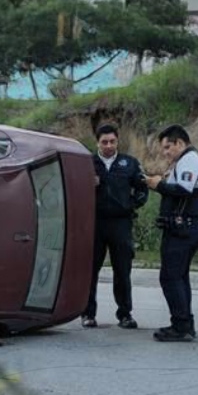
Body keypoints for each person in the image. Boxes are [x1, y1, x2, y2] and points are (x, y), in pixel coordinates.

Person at [145, 124, 198, 342]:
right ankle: (185, 323)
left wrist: (159, 185)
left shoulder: (190, 158)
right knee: (179, 277)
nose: (165, 153)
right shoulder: (183, 161)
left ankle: (180, 326)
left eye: (167, 147)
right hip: (182, 228)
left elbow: (183, 190)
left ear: (180, 143)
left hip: (184, 229)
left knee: (171, 277)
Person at [82, 123, 149, 329]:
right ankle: (87, 313)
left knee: (122, 270)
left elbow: (142, 189)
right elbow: (74, 192)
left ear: (117, 141)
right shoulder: (87, 164)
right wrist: (87, 185)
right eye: (104, 142)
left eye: (112, 141)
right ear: (97, 143)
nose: (109, 145)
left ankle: (125, 314)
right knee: (90, 271)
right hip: (95, 224)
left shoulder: (129, 164)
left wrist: (131, 205)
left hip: (121, 224)